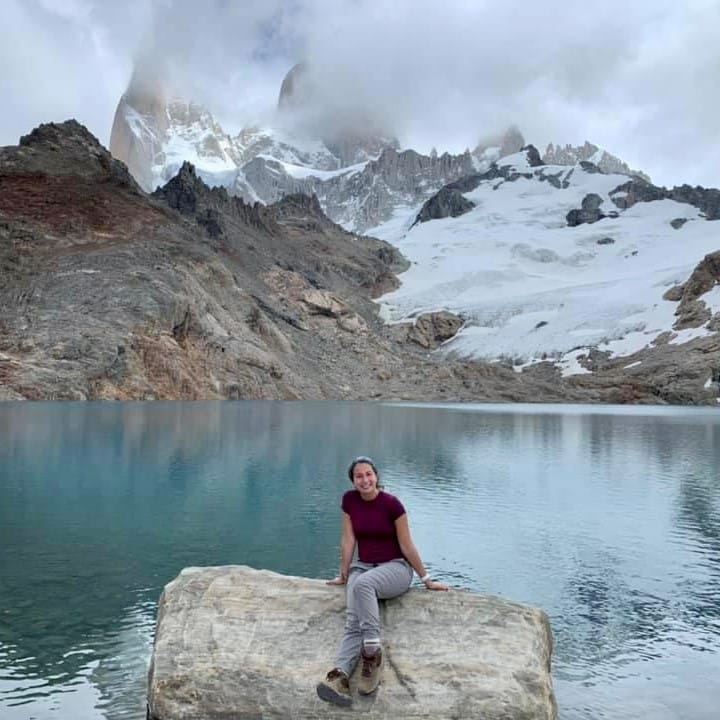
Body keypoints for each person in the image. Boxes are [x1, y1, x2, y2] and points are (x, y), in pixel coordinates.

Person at [316, 456, 448, 707]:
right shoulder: (349, 501)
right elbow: (348, 540)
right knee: (353, 618)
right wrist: (344, 574)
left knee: (363, 585)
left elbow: (407, 545)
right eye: (359, 476)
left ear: (376, 476)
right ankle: (341, 676)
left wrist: (427, 579)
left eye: (369, 474)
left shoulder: (392, 505)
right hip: (362, 566)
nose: (364, 480)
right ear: (353, 480)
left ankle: (373, 653)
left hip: (395, 569)